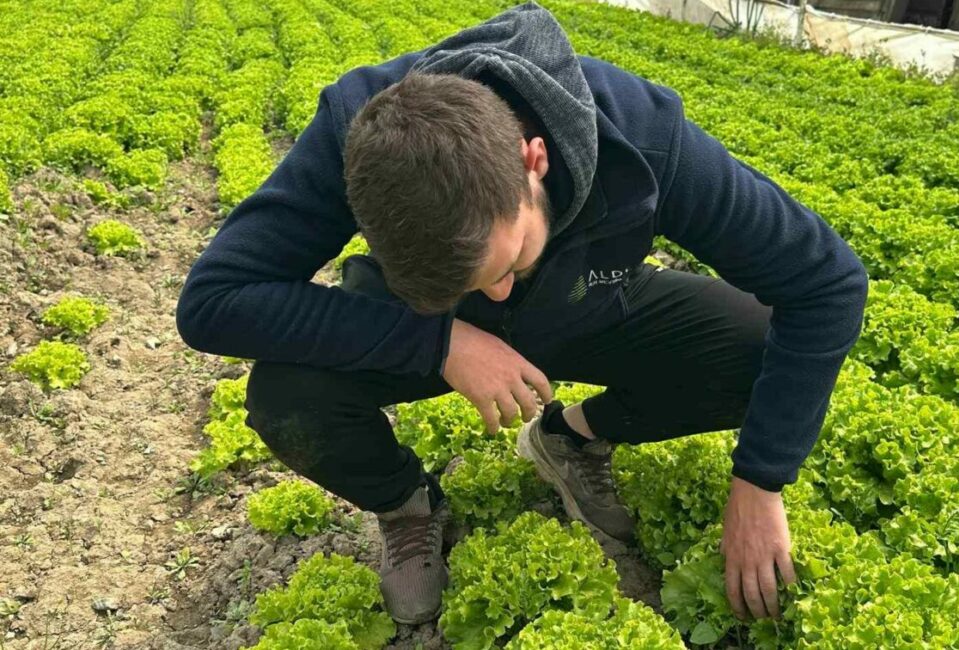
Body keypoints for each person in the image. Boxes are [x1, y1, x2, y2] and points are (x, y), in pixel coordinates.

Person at [175, 0, 868, 628]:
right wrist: (440, 337)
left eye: (509, 263)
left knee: (754, 350)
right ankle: (405, 504)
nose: (498, 292)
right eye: (477, 282)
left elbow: (828, 282)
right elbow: (212, 301)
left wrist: (760, 480)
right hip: (428, 332)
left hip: (587, 304)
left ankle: (570, 438)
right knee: (286, 394)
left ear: (533, 160)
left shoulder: (641, 136)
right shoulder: (360, 135)